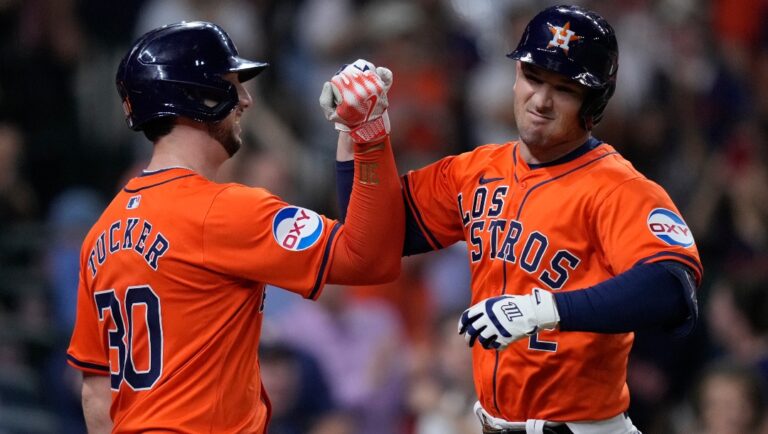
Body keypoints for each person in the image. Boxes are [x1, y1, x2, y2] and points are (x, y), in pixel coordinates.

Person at [332, 4, 702, 434]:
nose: (541, 100)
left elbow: (672, 289)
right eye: (533, 78)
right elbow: (374, 238)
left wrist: (543, 308)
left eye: (564, 89)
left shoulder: (618, 188)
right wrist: (363, 136)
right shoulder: (476, 170)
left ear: (593, 101)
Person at [65, 21, 403, 433]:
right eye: (230, 85)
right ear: (195, 97)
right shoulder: (223, 210)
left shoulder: (102, 231)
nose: (245, 101)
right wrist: (365, 137)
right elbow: (369, 259)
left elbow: (96, 391)